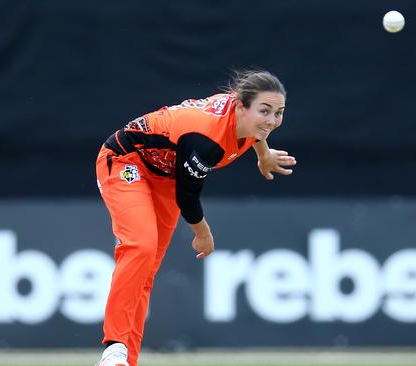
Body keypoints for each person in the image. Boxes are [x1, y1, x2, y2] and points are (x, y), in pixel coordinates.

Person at [94, 70, 296, 366]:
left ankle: (125, 361)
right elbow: (187, 197)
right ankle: (114, 346)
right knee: (141, 246)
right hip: (127, 160)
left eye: (279, 113)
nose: (271, 121)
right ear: (240, 105)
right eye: (265, 111)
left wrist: (263, 154)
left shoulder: (244, 117)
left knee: (146, 270)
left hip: (164, 175)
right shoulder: (206, 141)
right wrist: (203, 233)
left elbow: (257, 130)